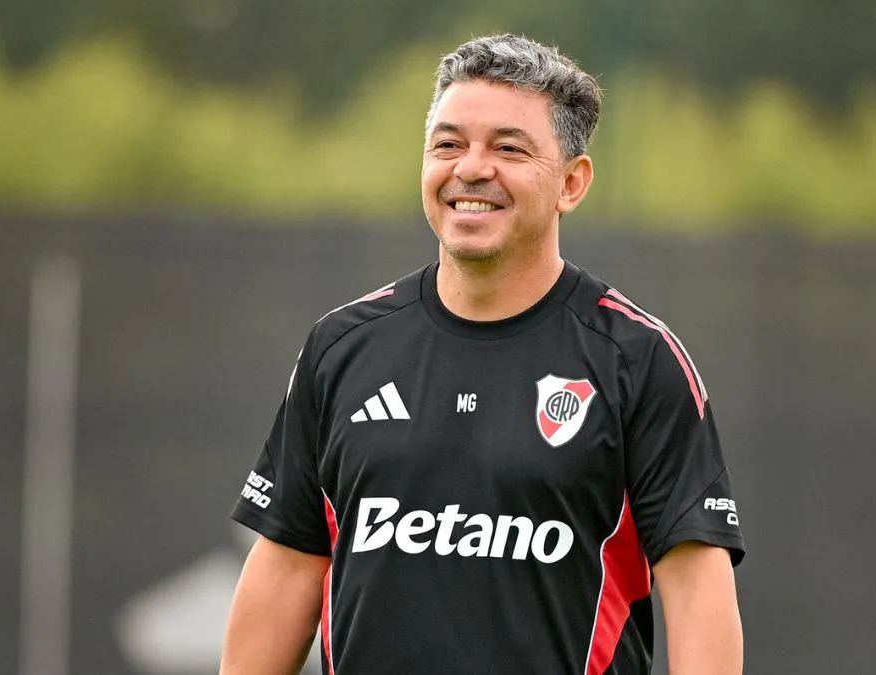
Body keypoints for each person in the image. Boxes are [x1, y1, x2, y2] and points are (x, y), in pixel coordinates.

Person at [222, 34, 745, 675]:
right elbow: (287, 564)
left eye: (508, 148)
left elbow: (697, 586)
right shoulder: (343, 346)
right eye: (447, 144)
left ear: (572, 183)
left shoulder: (637, 359)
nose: (471, 168)